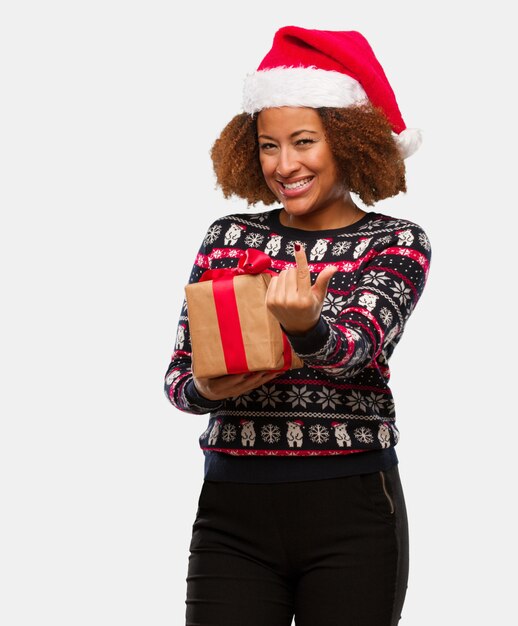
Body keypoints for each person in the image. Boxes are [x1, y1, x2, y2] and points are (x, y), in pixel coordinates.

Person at [164, 26, 432, 626]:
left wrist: (309, 328)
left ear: (348, 140)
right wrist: (209, 389)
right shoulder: (228, 238)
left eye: (304, 141)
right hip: (232, 514)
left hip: (352, 511)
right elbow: (180, 379)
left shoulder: (394, 243)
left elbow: (357, 348)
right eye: (268, 146)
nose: (285, 165)